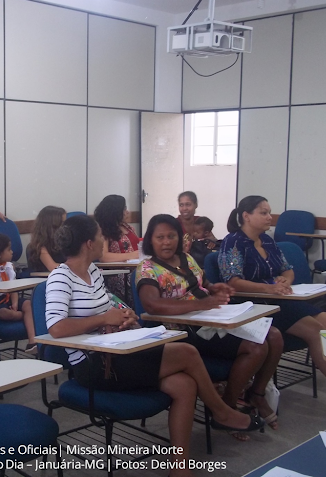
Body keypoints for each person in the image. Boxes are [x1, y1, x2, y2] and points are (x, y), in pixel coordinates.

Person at [46, 215, 264, 477]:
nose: (104, 241)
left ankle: (180, 470)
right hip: (92, 365)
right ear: (89, 243)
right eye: (101, 237)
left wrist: (122, 316)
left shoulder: (93, 271)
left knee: (185, 384)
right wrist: (104, 318)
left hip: (115, 350)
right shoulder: (61, 277)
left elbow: (105, 310)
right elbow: (56, 328)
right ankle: (220, 411)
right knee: (186, 351)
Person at [137, 214, 283, 439]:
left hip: (211, 320)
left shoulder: (186, 258)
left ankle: (256, 394)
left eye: (171, 236)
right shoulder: (148, 268)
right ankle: (229, 408)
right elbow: (152, 304)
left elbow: (202, 284)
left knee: (273, 335)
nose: (166, 242)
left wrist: (216, 288)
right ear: (150, 240)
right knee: (256, 347)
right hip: (182, 331)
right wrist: (201, 303)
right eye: (160, 237)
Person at [219, 195, 326, 415]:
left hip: (282, 299)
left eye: (269, 212)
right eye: (263, 213)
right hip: (256, 304)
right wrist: (269, 288)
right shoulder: (233, 242)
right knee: (315, 331)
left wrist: (286, 279)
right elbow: (233, 282)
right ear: (246, 216)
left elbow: (287, 268)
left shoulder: (267, 240)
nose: (269, 217)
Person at [94, 195, 140, 305]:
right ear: (115, 211)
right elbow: (103, 256)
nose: (127, 212)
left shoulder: (129, 228)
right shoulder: (104, 230)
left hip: (136, 269)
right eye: (124, 209)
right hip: (119, 274)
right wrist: (131, 255)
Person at [26, 205, 66, 272]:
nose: (65, 226)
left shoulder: (61, 242)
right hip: (47, 279)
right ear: (53, 226)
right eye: (62, 223)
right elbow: (53, 267)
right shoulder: (38, 246)